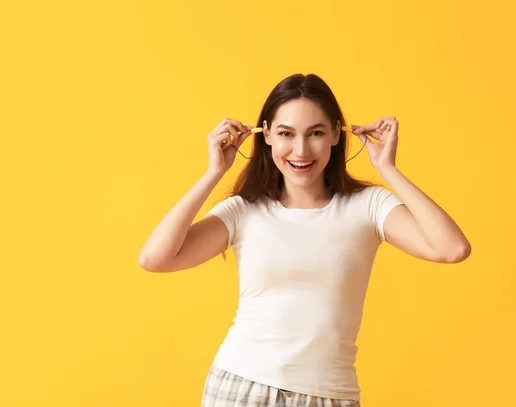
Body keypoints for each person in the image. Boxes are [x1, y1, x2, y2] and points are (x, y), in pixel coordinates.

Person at [138, 73, 471, 406]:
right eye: (286, 133)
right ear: (266, 134)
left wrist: (389, 169)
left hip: (330, 395)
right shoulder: (245, 211)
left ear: (336, 135)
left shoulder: (368, 206)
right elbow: (156, 259)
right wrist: (214, 173)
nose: (300, 150)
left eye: (315, 133)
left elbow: (452, 249)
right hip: (241, 387)